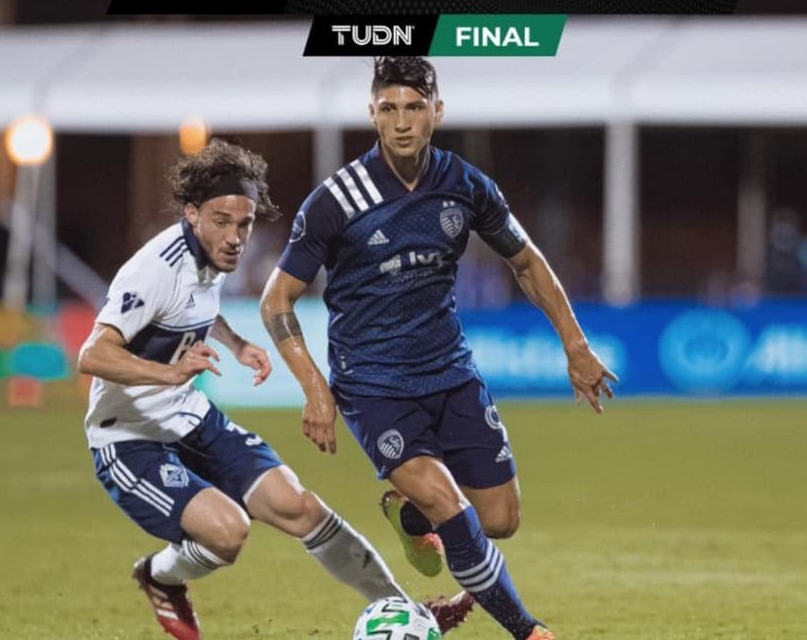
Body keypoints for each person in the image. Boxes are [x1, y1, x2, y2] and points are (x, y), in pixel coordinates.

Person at [260, 57, 618, 640]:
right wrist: (314, 388)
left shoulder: (465, 185)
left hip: (451, 374)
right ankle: (528, 630)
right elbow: (277, 300)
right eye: (388, 109)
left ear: (437, 112)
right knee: (454, 513)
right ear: (372, 114)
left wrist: (575, 345)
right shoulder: (336, 200)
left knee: (499, 520)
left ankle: (408, 514)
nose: (401, 122)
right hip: (374, 387)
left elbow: (527, 262)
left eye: (414, 107)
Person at [76, 139, 471, 640]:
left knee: (299, 506)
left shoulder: (210, 255)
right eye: (222, 221)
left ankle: (405, 611)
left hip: (189, 416)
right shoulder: (152, 270)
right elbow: (93, 354)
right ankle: (159, 576)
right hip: (129, 437)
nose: (235, 237)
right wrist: (169, 374)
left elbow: (193, 306)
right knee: (228, 533)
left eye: (244, 224)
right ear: (191, 213)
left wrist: (236, 343)